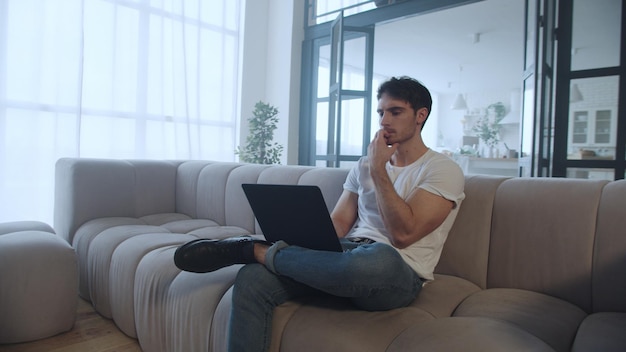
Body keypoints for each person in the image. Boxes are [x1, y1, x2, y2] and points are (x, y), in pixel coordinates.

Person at [174, 76, 465, 352]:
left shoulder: (441, 169)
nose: (384, 121)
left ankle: (256, 250)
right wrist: (304, 234)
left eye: (395, 111)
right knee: (252, 279)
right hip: (343, 256)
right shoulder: (364, 165)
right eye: (381, 112)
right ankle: (260, 255)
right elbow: (340, 224)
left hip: (396, 272)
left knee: (377, 260)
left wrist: (379, 170)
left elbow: (403, 235)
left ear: (421, 115)